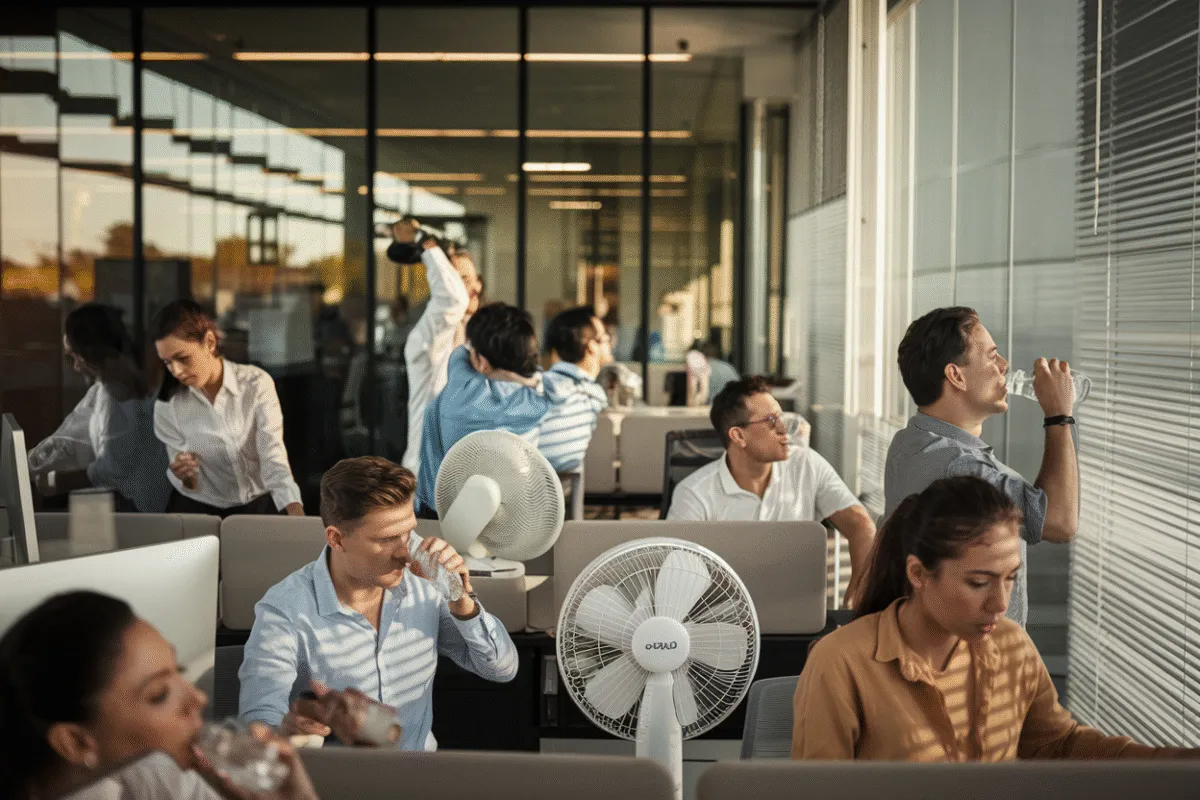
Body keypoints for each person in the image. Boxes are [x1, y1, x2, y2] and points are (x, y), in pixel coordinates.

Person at [792, 476, 1200, 761]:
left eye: (1011, 579)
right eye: (979, 582)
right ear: (918, 574)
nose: (1000, 604)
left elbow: (1057, 745)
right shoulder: (842, 662)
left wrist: (1177, 761)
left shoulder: (1010, 645)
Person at [238, 456, 518, 750]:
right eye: (386, 539)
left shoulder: (426, 581)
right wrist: (284, 731)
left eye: (408, 533)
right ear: (337, 539)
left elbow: (502, 669)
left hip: (419, 776)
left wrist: (460, 599)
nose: (405, 553)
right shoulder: (286, 609)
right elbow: (259, 720)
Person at [0, 591, 318, 800]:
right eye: (159, 694)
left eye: (178, 671)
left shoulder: (161, 773)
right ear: (76, 742)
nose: (198, 699)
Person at [884, 307, 1078, 627]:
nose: (1004, 366)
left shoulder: (910, 440)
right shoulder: (961, 468)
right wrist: (1059, 416)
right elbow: (1059, 522)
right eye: (991, 356)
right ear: (956, 376)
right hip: (972, 661)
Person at [667, 376, 876, 606]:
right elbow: (675, 572)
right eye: (771, 420)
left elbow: (861, 525)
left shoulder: (806, 464)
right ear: (738, 435)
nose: (784, 428)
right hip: (722, 622)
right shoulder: (694, 493)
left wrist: (860, 593)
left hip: (797, 614)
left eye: (781, 416)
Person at [414, 303, 586, 516]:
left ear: (481, 361)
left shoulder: (463, 391)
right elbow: (556, 387)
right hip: (510, 519)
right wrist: (524, 376)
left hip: (442, 516)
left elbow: (461, 352)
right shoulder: (538, 401)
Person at [151, 299, 304, 518]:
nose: (175, 370)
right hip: (199, 511)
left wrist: (295, 513)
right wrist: (186, 475)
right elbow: (189, 482)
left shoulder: (255, 384)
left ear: (210, 343)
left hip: (257, 506)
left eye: (182, 358)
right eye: (167, 362)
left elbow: (272, 454)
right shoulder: (168, 405)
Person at [28, 304, 171, 513]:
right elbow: (72, 437)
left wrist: (56, 480)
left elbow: (114, 469)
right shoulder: (107, 387)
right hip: (136, 505)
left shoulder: (119, 390)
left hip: (139, 511)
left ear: (89, 351)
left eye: (75, 357)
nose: (76, 367)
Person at [392, 220, 483, 475]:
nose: (474, 289)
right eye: (462, 279)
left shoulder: (478, 340)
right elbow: (453, 298)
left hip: (466, 471)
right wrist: (426, 242)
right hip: (426, 474)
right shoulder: (427, 338)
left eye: (475, 280)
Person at [539, 305, 611, 472]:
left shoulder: (534, 386)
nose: (609, 342)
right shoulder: (593, 397)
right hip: (558, 490)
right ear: (592, 347)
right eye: (605, 338)